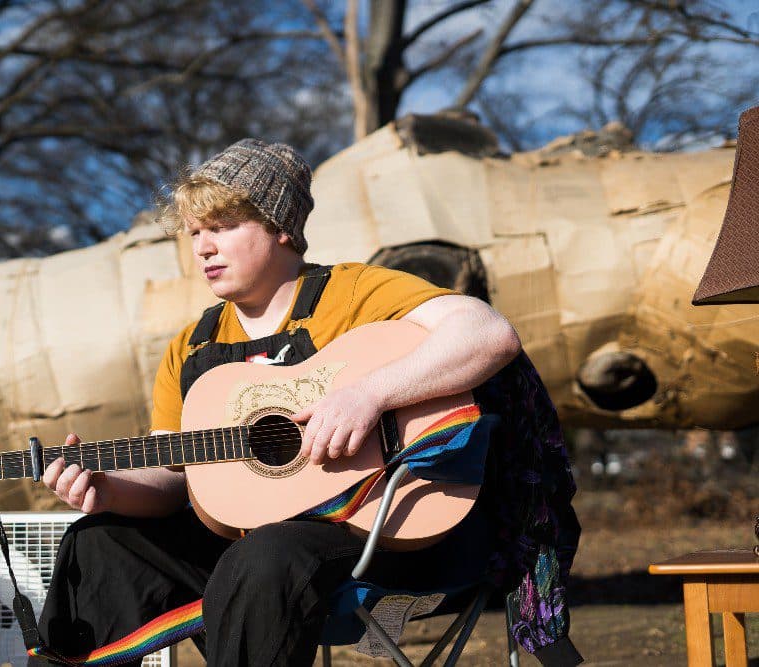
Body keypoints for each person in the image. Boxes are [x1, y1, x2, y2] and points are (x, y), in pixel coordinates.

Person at [36, 139, 581, 666]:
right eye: (195, 231)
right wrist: (109, 488)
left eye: (223, 227)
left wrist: (368, 395)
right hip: (253, 555)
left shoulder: (352, 293)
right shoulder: (191, 347)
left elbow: (488, 335)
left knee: (268, 554)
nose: (203, 247)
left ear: (279, 228)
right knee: (99, 542)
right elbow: (176, 475)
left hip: (387, 541)